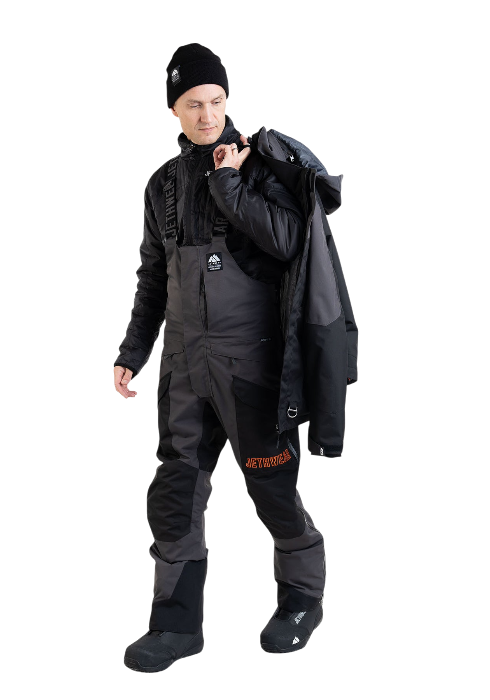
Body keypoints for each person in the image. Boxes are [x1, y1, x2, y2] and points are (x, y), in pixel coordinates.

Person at [114, 44, 340, 673]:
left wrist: (226, 183)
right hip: (182, 370)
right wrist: (133, 350)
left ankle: (303, 599)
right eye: (194, 105)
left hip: (251, 368)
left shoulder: (256, 165)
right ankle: (175, 624)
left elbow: (290, 239)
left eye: (216, 101)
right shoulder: (161, 185)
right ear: (174, 111)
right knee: (174, 494)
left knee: (272, 487)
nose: (208, 115)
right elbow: (152, 278)